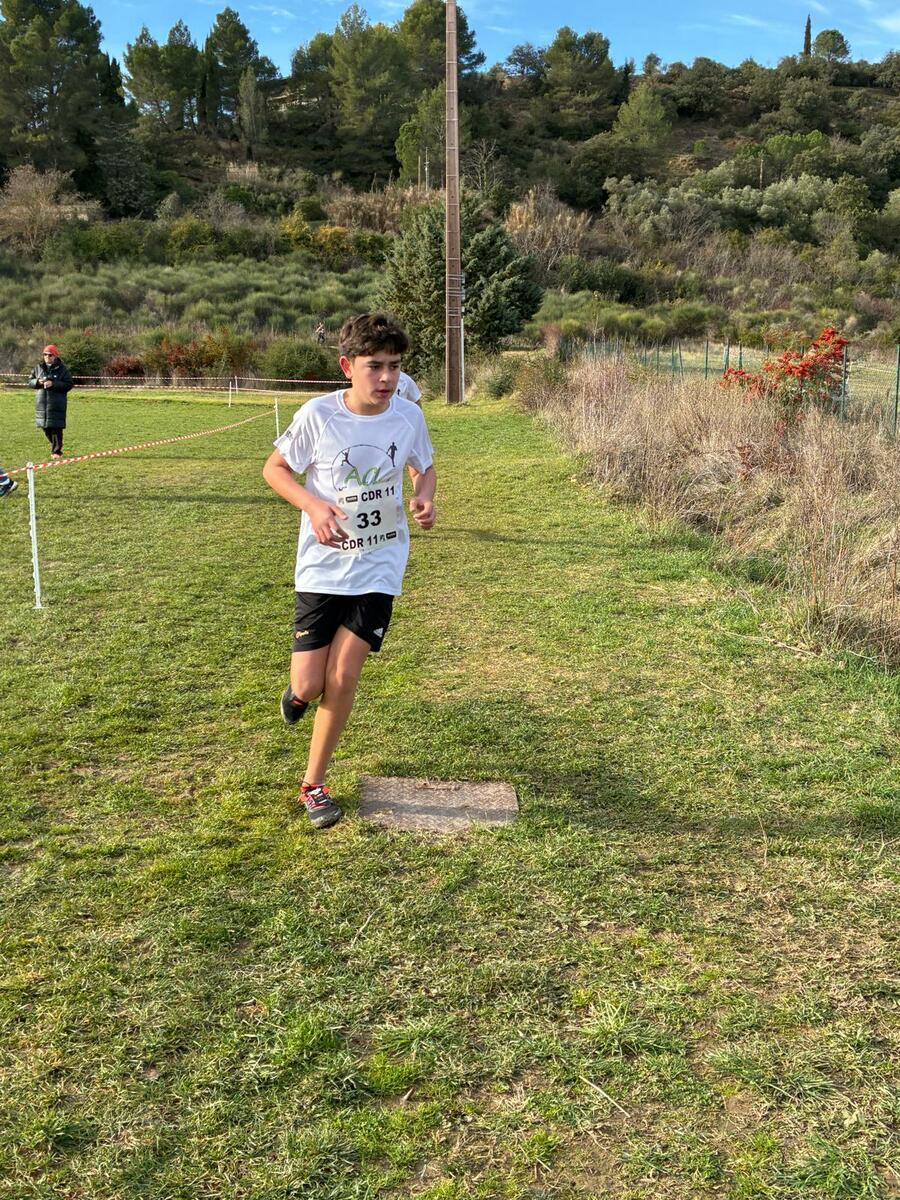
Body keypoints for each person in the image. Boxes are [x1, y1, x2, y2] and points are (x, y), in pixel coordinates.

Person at [262, 313, 437, 829]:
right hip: (322, 568)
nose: (386, 378)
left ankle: (313, 784)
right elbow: (275, 469)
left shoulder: (408, 416)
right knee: (311, 683)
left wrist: (424, 497)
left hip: (380, 563)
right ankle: (297, 693)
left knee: (343, 675)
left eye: (394, 366)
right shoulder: (319, 415)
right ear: (347, 366)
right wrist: (313, 506)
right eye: (374, 366)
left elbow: (424, 466)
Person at [29, 344, 73, 459]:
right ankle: (56, 446)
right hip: (41, 404)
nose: (47, 357)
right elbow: (30, 381)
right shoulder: (38, 368)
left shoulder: (62, 369)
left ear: (55, 356)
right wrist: (38, 382)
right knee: (45, 427)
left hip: (56, 403)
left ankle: (56, 452)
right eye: (45, 354)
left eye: (50, 355)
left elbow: (69, 384)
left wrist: (53, 384)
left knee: (56, 428)